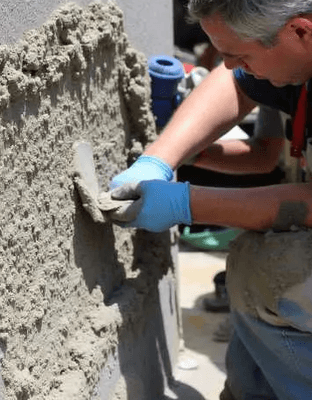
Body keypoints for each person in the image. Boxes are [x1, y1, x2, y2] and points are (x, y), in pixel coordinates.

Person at [108, 1, 312, 399]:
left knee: (273, 272)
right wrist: (157, 161)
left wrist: (186, 203)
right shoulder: (291, 54)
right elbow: (234, 82)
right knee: (258, 273)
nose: (233, 64)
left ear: (301, 32)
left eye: (242, 54)